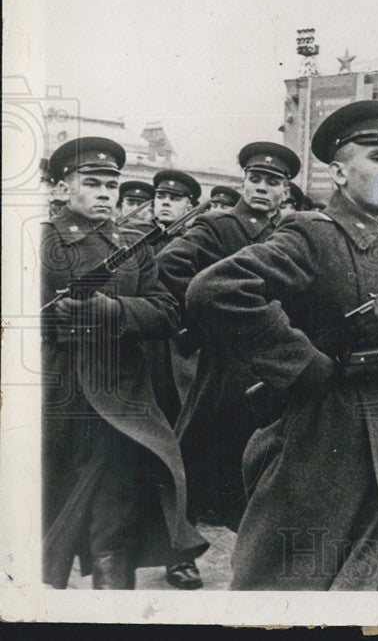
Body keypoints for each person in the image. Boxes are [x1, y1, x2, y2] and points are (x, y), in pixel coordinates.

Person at [186, 100, 378, 590]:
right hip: (325, 441)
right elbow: (216, 289)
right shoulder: (312, 235)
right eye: (377, 157)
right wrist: (304, 365)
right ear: (339, 172)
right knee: (294, 578)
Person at [40, 137, 207, 589]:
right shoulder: (40, 240)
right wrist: (51, 319)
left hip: (123, 400)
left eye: (110, 185)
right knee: (48, 525)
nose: (104, 194)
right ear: (60, 189)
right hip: (59, 399)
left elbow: (167, 312)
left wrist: (114, 311)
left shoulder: (133, 246)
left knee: (114, 529)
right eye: (91, 183)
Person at [158, 141, 301, 540]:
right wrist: (210, 317)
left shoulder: (289, 232)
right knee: (199, 443)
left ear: (284, 191)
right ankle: (178, 545)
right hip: (227, 356)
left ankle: (246, 533)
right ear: (243, 182)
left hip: (274, 352)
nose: (260, 188)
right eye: (254, 179)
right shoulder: (219, 225)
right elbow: (170, 263)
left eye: (271, 182)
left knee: (260, 448)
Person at [150, 170, 202, 254]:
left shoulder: (192, 242)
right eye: (160, 197)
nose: (165, 202)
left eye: (175, 199)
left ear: (188, 209)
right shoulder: (138, 233)